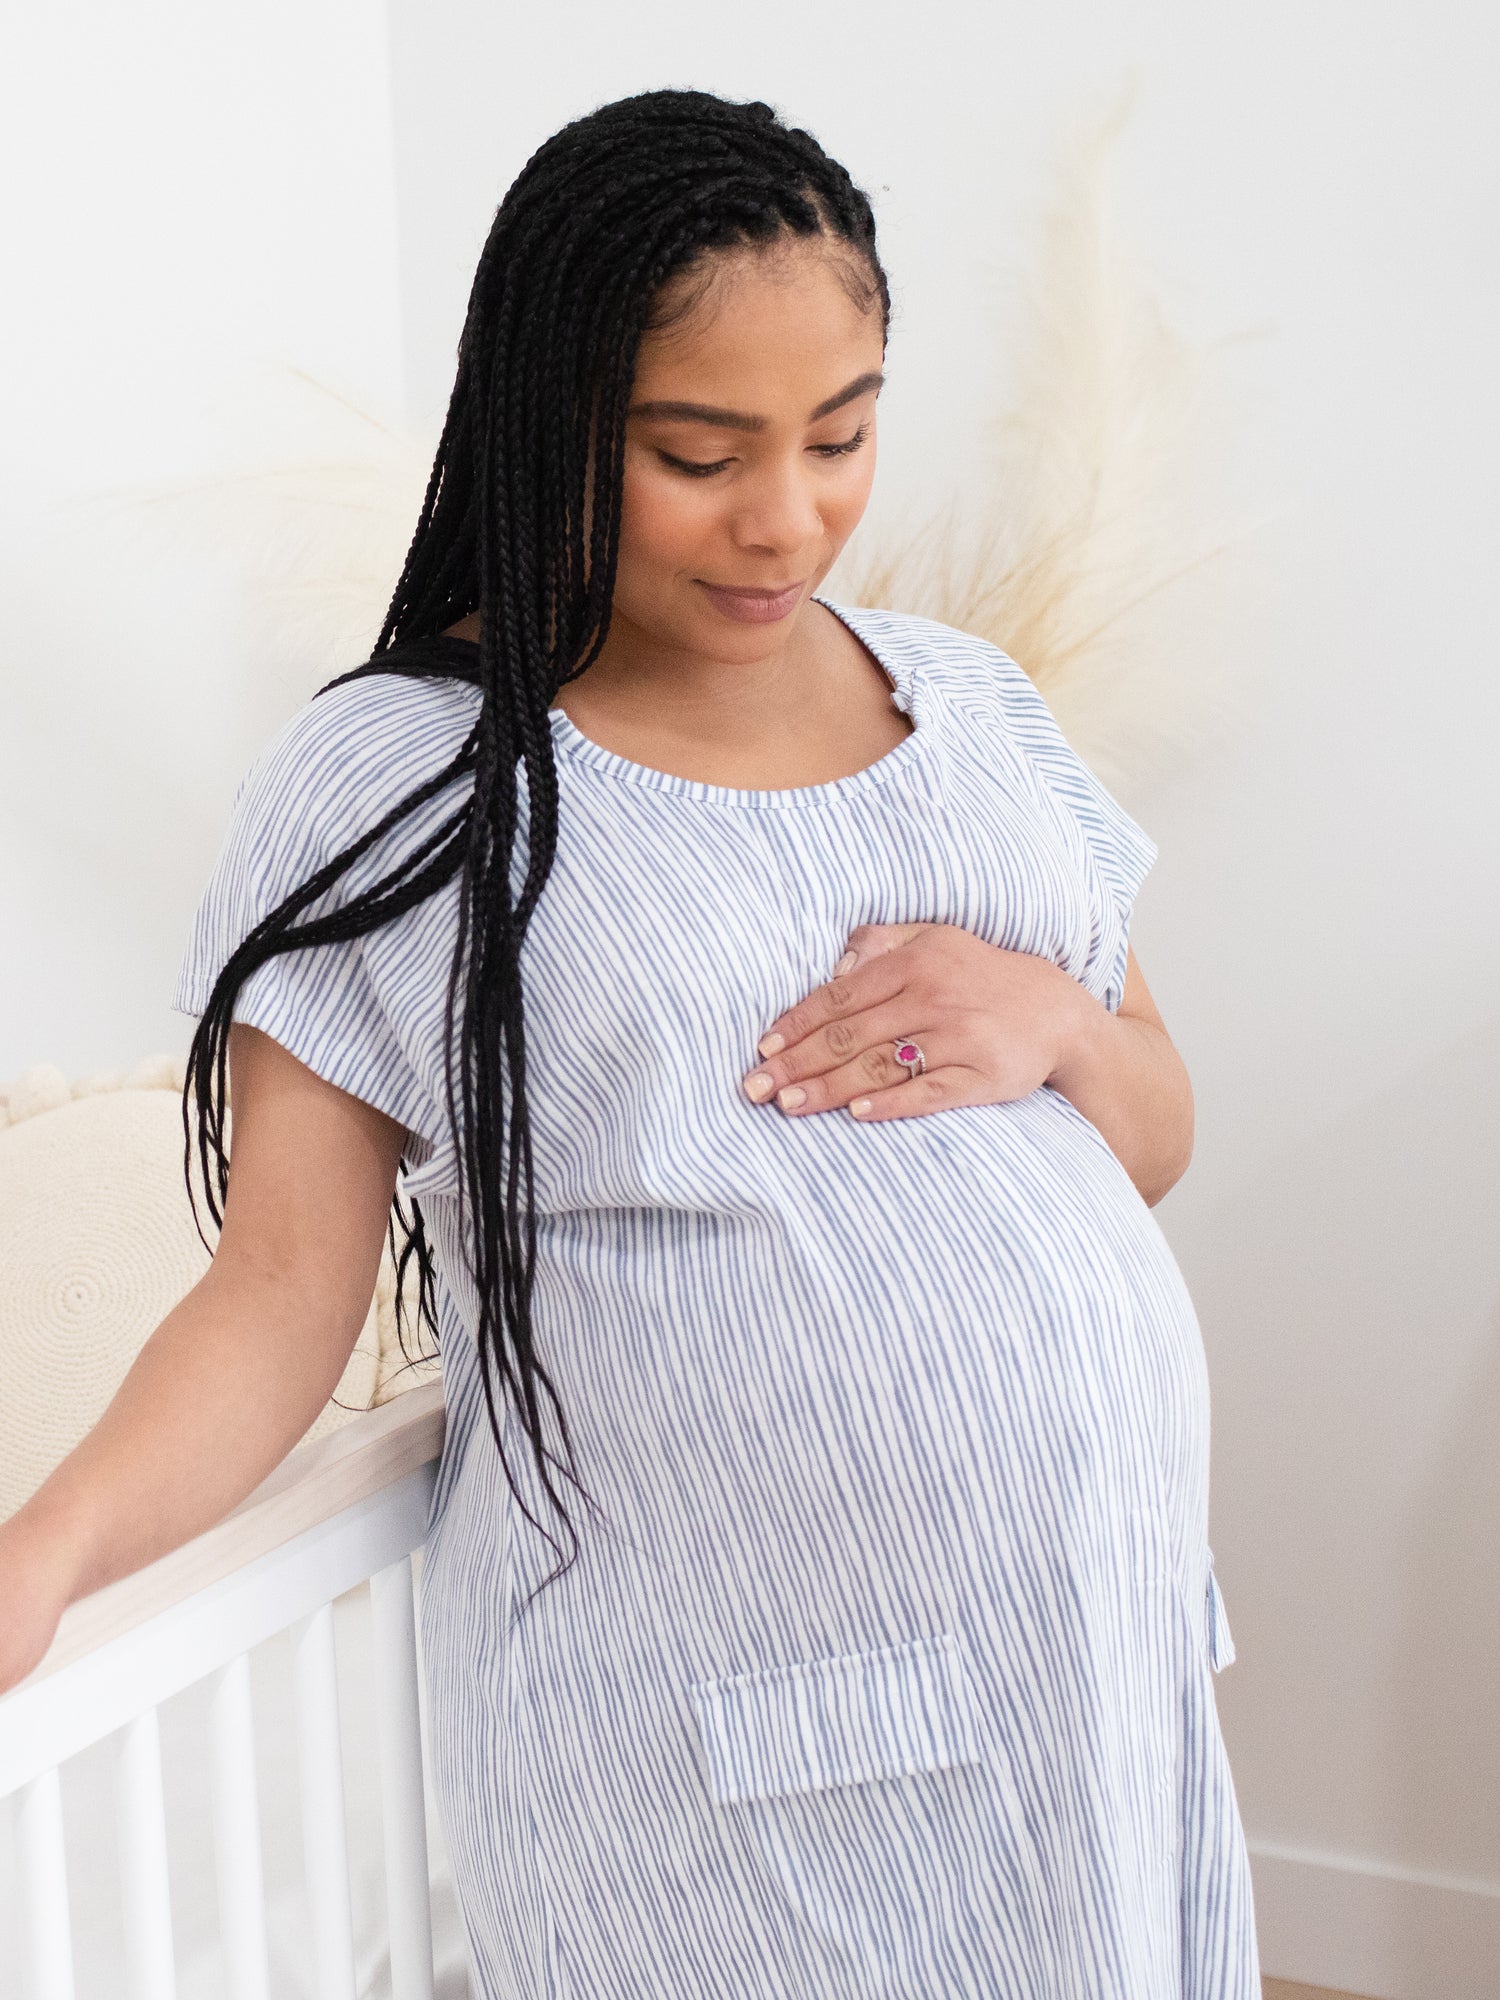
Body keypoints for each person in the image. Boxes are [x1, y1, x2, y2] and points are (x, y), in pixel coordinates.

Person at [0, 87, 1259, 1998]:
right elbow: (281, 1290)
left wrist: (1064, 1022)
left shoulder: (980, 716)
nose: (790, 517)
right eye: (700, 452)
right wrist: (54, 1542)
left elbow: (1153, 1132)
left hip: (1086, 1657)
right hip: (724, 1731)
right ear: (551, 420)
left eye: (841, 436)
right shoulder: (405, 781)